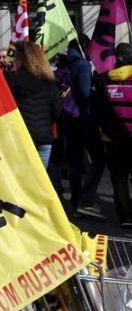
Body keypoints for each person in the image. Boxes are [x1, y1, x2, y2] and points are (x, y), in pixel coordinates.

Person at [57, 35, 107, 220]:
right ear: (84, 47)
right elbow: (86, 93)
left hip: (68, 119)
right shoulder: (82, 65)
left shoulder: (62, 64)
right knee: (99, 160)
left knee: (75, 163)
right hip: (83, 119)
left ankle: (76, 204)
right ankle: (86, 200)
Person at [5, 41, 62, 168]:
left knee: (23, 181)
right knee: (40, 182)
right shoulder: (49, 81)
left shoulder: (14, 79)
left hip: (21, 137)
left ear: (21, 59)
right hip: (44, 137)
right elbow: (58, 111)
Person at [95, 43, 132, 227]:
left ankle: (126, 217)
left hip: (113, 137)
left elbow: (98, 107)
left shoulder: (105, 79)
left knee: (119, 177)